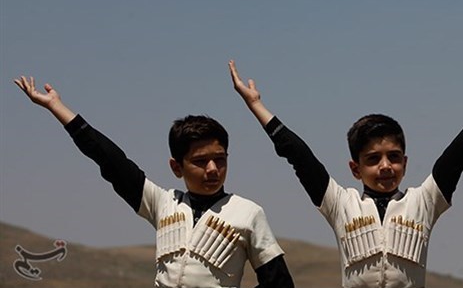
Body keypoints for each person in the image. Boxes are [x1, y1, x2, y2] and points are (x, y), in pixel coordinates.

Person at [228, 46, 463, 288]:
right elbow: (297, 155)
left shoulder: (424, 202)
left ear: (405, 163)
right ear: (355, 169)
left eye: (394, 157)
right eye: (373, 159)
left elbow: (461, 151)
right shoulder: (340, 204)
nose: (385, 166)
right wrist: (256, 106)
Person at [13, 76, 294, 288]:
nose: (212, 169)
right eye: (200, 161)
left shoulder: (248, 213)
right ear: (176, 167)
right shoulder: (162, 203)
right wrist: (57, 107)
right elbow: (109, 160)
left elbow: (279, 282)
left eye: (220, 159)